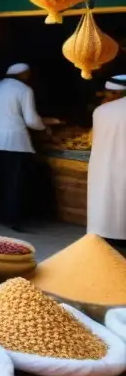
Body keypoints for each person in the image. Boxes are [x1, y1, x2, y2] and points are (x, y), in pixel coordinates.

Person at [0, 63, 47, 231]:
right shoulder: (24, 90)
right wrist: (44, 127)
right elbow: (31, 120)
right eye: (28, 74)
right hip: (15, 143)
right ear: (23, 74)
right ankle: (13, 220)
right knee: (14, 183)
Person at [87, 74, 126, 250]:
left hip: (103, 165)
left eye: (109, 93)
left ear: (117, 93)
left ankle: (103, 237)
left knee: (104, 202)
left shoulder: (100, 111)